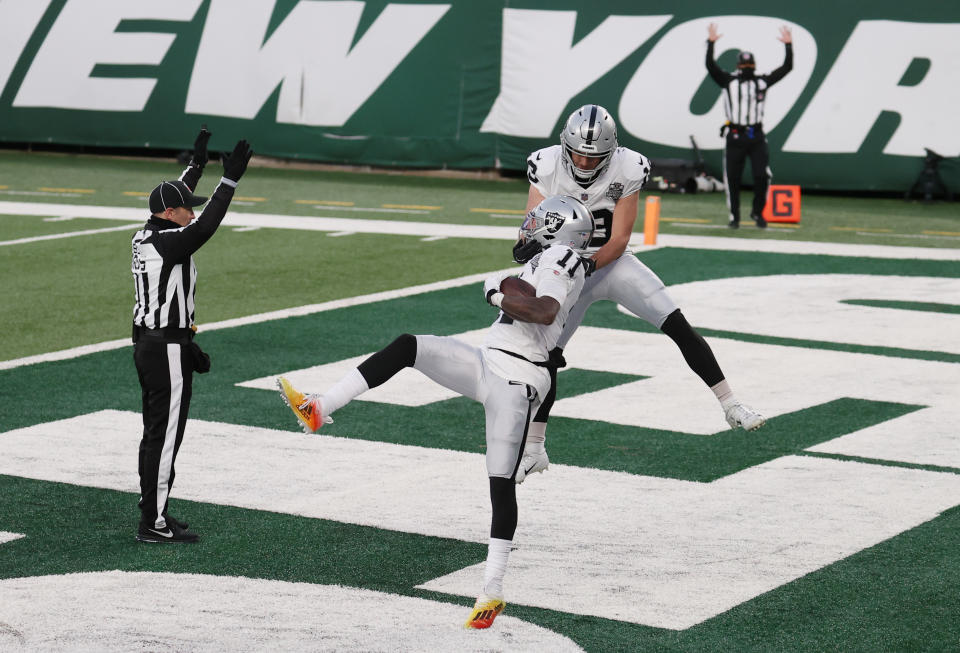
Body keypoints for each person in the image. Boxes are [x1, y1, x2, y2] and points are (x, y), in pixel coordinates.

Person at [277, 196, 594, 629]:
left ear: (556, 228)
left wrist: (496, 294)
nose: (528, 226)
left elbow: (545, 311)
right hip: (488, 360)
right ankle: (319, 408)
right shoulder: (549, 259)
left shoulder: (563, 256)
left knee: (501, 484)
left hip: (517, 380)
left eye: (538, 222)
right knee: (411, 346)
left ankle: (492, 590)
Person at [517, 104, 765, 484]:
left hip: (609, 264)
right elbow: (530, 227)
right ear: (564, 146)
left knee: (676, 322)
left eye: (594, 155)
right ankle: (535, 449)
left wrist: (584, 266)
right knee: (546, 355)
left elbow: (618, 240)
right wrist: (531, 246)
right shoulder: (546, 165)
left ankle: (731, 404)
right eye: (579, 152)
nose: (584, 162)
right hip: (565, 270)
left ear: (611, 152)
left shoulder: (627, 167)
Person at [132, 129, 253, 543]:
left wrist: (197, 167)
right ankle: (154, 523)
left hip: (158, 343)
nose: (190, 212)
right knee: (165, 438)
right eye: (185, 209)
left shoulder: (148, 234)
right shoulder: (168, 243)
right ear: (169, 214)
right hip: (163, 346)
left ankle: (154, 512)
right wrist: (229, 181)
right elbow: (205, 227)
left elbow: (179, 203)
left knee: (156, 434)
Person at [706, 23, 793, 229]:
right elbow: (711, 66)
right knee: (733, 178)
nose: (747, 68)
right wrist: (710, 43)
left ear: (753, 65)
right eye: (744, 65)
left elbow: (786, 68)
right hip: (735, 135)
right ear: (738, 66)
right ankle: (734, 216)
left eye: (749, 65)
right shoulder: (729, 81)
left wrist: (789, 46)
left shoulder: (762, 82)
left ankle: (757, 211)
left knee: (762, 175)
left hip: (756, 136)